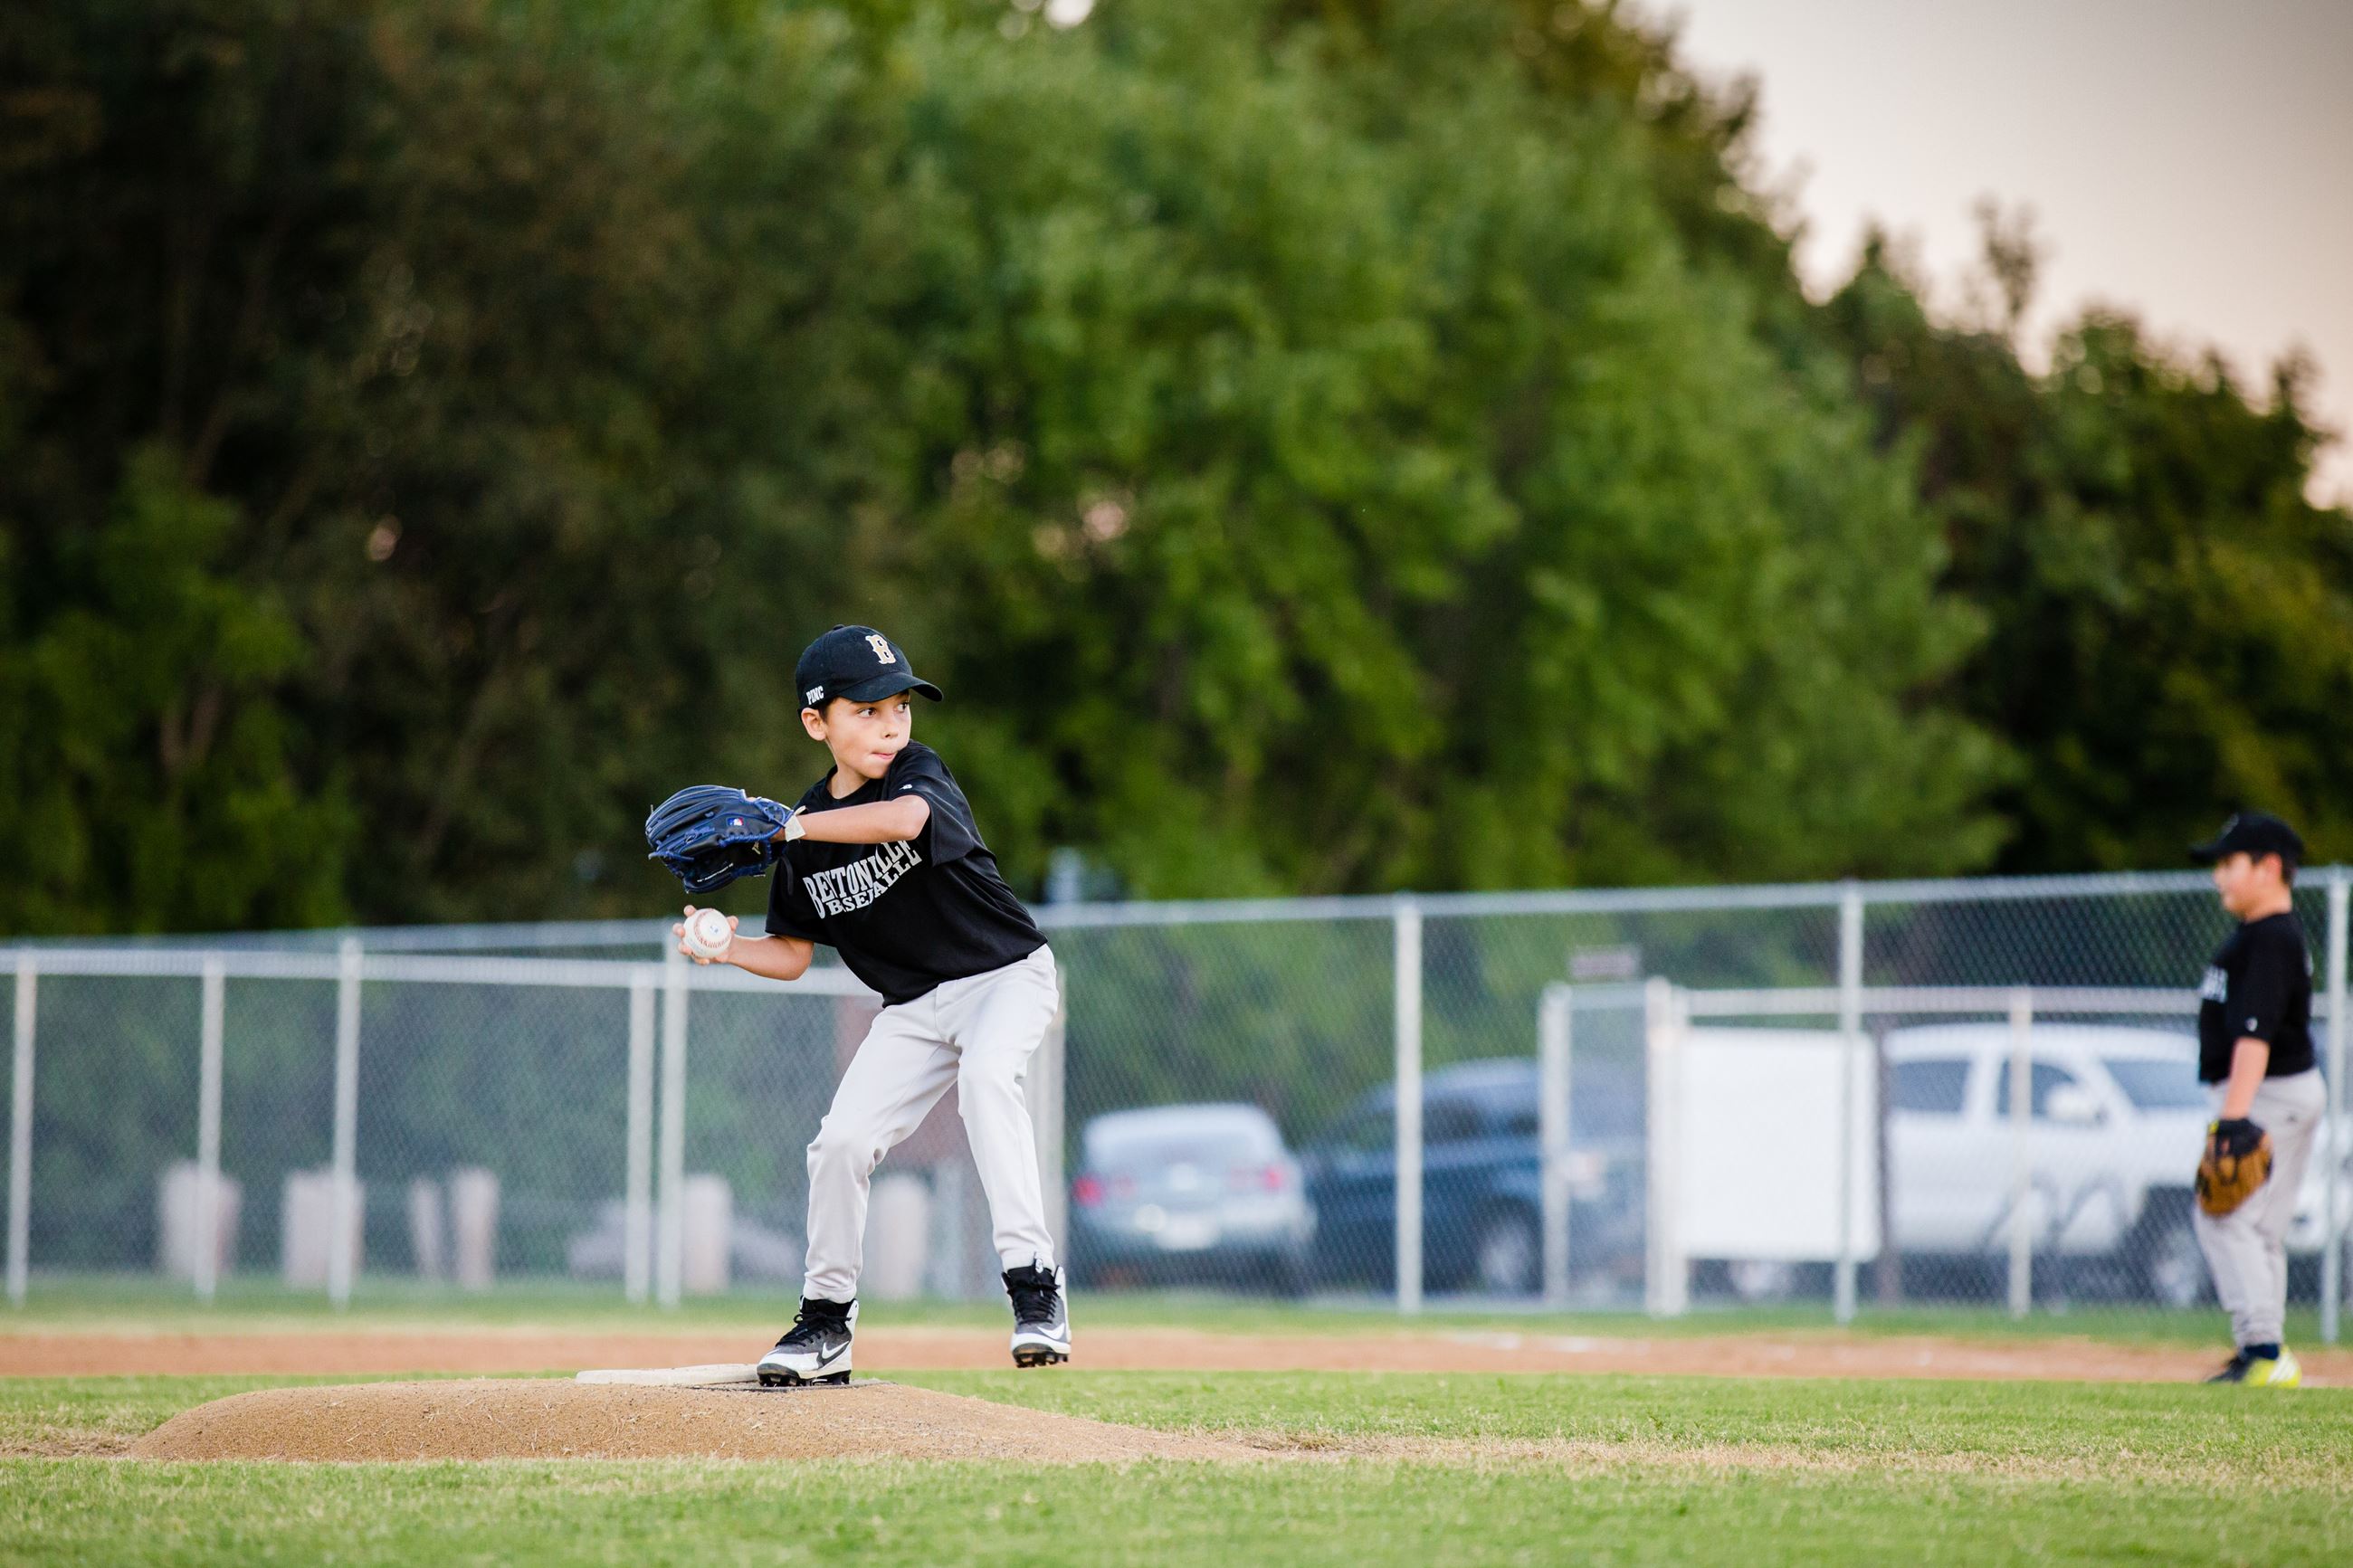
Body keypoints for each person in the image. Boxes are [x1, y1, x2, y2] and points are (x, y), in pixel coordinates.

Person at [673, 624, 1069, 1385]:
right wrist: (722, 946)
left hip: (1006, 977)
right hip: (915, 1008)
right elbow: (790, 953)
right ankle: (826, 1323)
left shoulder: (914, 775)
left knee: (988, 1081)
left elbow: (905, 823)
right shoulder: (800, 839)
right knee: (840, 1145)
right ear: (816, 723)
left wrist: (789, 827)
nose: (892, 725)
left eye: (901, 706)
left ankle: (1036, 1290)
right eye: (867, 710)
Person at [2188, 811, 2324, 1387]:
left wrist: (2235, 1116)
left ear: (2270, 868)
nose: (2219, 876)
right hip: (2284, 1090)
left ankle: (2263, 1349)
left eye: (2229, 863)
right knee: (2259, 1226)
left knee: (2223, 1219)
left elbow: (2254, 1032)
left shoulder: (2269, 938)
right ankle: (2264, 1351)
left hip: (2266, 1091)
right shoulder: (2264, 935)